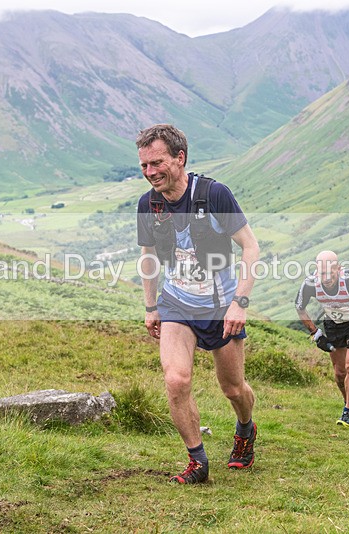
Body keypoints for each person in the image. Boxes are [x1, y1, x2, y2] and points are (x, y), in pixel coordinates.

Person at [136, 124, 260, 484]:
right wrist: (150, 306)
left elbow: (250, 247)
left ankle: (245, 428)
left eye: (156, 162)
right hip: (176, 304)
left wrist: (240, 302)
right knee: (176, 380)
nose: (150, 172)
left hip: (221, 308)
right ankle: (198, 461)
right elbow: (148, 257)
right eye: (144, 166)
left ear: (180, 158)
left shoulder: (214, 194)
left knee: (233, 389)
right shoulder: (149, 204)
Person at [295, 250, 349, 427]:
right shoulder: (310, 284)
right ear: (316, 270)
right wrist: (315, 333)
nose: (326, 277)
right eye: (322, 273)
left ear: (339, 268)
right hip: (333, 324)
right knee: (339, 373)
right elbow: (300, 308)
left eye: (330, 272)